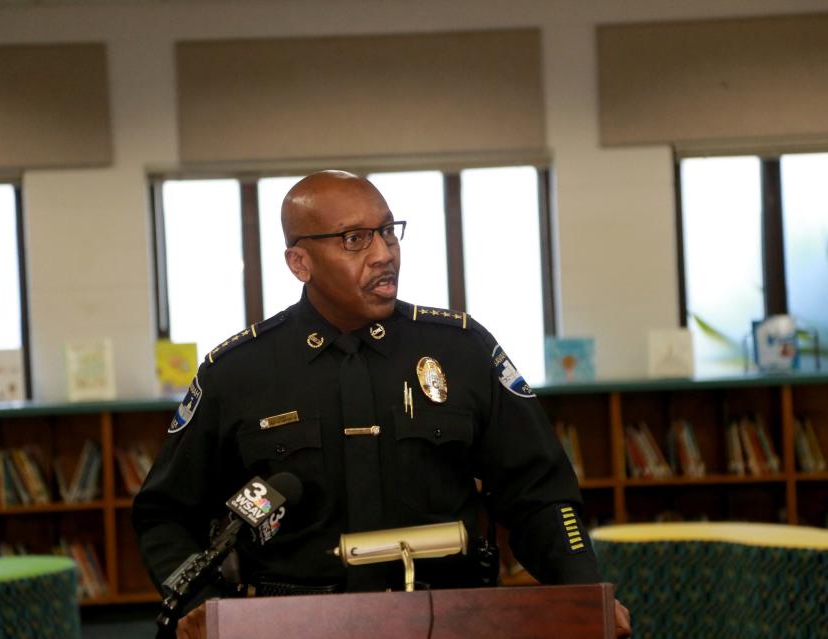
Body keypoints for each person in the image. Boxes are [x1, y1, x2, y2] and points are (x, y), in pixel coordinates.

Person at [133, 170, 631, 637]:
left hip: (452, 618)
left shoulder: (461, 349)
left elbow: (540, 494)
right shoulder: (238, 373)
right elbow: (165, 513)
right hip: (296, 624)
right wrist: (201, 602)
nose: (383, 254)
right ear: (299, 262)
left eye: (389, 233)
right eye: (355, 239)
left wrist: (584, 590)